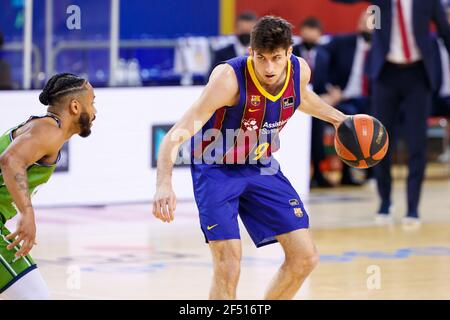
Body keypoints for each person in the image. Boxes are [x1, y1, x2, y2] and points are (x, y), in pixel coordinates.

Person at [152, 16, 348, 300]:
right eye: (261, 58)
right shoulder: (228, 79)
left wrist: (340, 119)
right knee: (229, 265)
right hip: (216, 169)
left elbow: (301, 98)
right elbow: (178, 132)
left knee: (304, 257)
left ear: (289, 54)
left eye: (276, 58)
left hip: (261, 167)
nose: (269, 68)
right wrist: (163, 183)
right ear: (250, 52)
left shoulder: (299, 71)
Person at [334, 0, 450, 227]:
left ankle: (413, 207)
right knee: (380, 140)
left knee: (417, 143)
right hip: (386, 74)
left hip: (418, 74)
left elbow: (445, 32)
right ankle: (385, 201)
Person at [0, 73, 97, 299]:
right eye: (91, 103)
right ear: (75, 106)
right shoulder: (49, 130)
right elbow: (10, 160)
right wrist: (27, 213)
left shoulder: (41, 128)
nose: (94, 112)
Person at [324, 10, 374, 185]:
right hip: (345, 98)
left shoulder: (385, 49)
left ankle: (374, 173)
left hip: (372, 99)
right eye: (364, 21)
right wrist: (329, 89)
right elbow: (320, 58)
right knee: (348, 121)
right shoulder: (342, 42)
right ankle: (346, 173)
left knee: (379, 117)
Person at [293, 17, 341, 188]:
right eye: (307, 30)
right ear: (301, 32)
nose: (310, 35)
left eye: (314, 32)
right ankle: (301, 172)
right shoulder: (291, 53)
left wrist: (332, 95)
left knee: (318, 123)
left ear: (320, 35)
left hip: (314, 100)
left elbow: (326, 83)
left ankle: (319, 172)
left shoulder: (324, 56)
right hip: (293, 99)